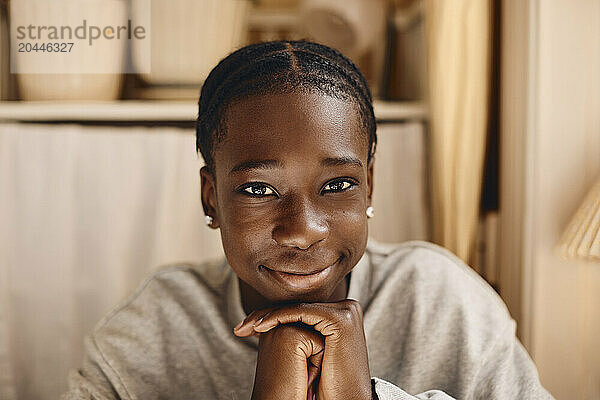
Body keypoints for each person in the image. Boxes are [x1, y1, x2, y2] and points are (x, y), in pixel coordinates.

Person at [62, 40, 554, 400]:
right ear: (211, 198)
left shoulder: (439, 299)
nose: (302, 230)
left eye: (338, 185)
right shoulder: (154, 329)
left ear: (370, 186)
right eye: (259, 190)